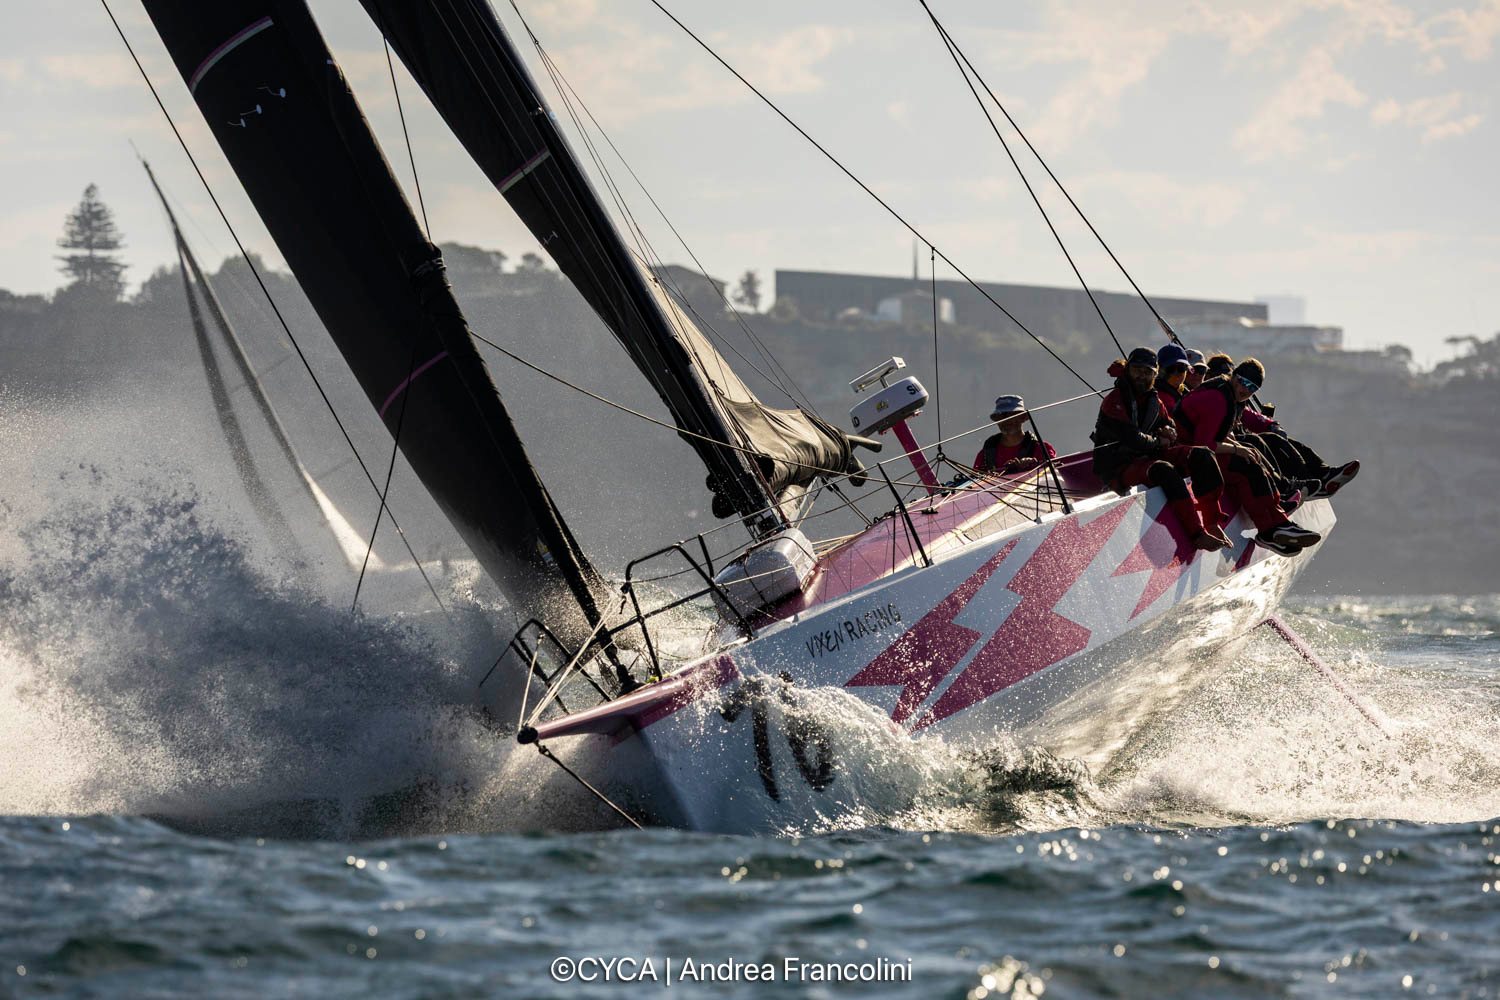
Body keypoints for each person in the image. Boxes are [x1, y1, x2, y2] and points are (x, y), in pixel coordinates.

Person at [1174, 358, 1321, 555]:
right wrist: (1237, 450)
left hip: (1196, 452)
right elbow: (1204, 443)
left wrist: (1239, 447)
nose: (1245, 390)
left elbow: (1218, 434)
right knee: (1245, 466)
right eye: (1243, 382)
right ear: (1234, 377)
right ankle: (1271, 528)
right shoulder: (1218, 399)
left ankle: (1276, 522)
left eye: (1252, 388)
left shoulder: (1229, 395)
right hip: (1186, 456)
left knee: (1251, 458)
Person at [1091, 347, 1231, 551]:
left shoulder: (1153, 399)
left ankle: (1212, 522)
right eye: (1137, 370)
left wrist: (1169, 432)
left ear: (1155, 374)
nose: (1141, 376)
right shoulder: (1115, 400)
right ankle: (1197, 534)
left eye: (1147, 372)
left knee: (1202, 454)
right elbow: (1133, 439)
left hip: (1148, 456)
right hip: (1119, 467)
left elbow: (1169, 425)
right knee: (1164, 470)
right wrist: (1160, 441)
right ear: (1128, 370)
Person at [973, 394, 1057, 474]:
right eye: (1001, 415)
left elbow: (1056, 474)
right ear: (997, 420)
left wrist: (1032, 466)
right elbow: (975, 480)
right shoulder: (986, 454)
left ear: (1022, 418)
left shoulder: (1042, 449)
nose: (1006, 419)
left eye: (1012, 414)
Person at [1155, 343, 1192, 411]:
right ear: (1159, 370)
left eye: (1181, 368)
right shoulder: (1157, 396)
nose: (1176, 373)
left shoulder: (1184, 392)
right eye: (1170, 368)